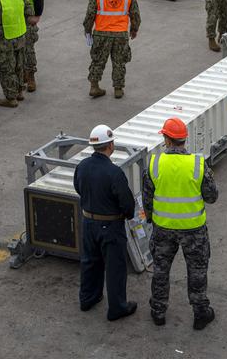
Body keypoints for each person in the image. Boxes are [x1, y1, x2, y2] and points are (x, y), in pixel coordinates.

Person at [144, 118, 218, 330]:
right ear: (184, 139)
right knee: (197, 271)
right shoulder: (198, 164)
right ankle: (200, 313)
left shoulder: (154, 163)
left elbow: (147, 199)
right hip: (194, 230)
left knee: (160, 269)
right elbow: (212, 196)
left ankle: (158, 311)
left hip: (163, 228)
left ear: (166, 139)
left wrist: (152, 219)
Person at [74, 124, 138, 321]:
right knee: (115, 267)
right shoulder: (114, 172)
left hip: (88, 222)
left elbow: (78, 188)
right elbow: (126, 203)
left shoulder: (82, 166)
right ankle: (117, 307)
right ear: (110, 145)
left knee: (89, 262)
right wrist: (127, 215)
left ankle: (88, 298)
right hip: (110, 227)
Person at [83, 0, 141, 99]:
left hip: (101, 33)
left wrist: (87, 31)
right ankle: (118, 89)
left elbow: (90, 15)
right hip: (120, 34)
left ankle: (94, 86)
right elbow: (135, 15)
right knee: (119, 62)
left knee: (97, 60)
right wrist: (134, 29)